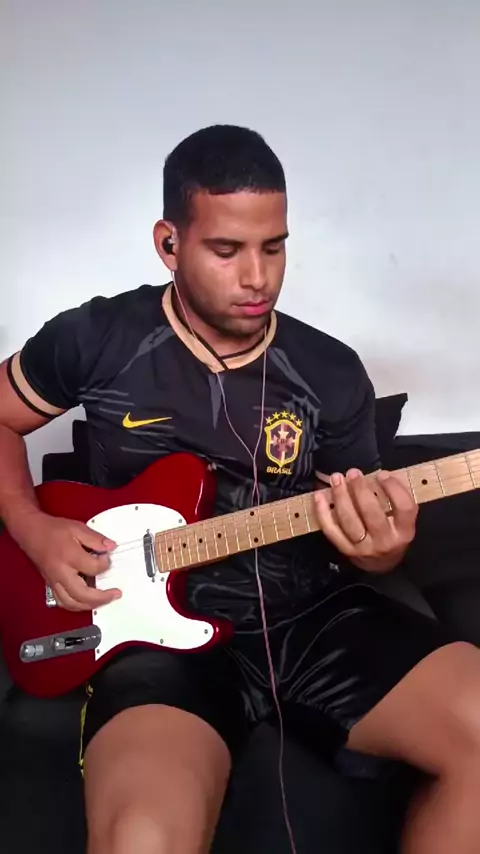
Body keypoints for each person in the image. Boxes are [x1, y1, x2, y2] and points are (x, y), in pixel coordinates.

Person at [0, 125, 479, 854]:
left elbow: (368, 537)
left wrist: (381, 548)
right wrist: (32, 526)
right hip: (157, 638)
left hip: (310, 613)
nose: (258, 277)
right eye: (226, 251)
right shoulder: (96, 337)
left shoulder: (331, 370)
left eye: (274, 247)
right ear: (169, 244)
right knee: (142, 837)